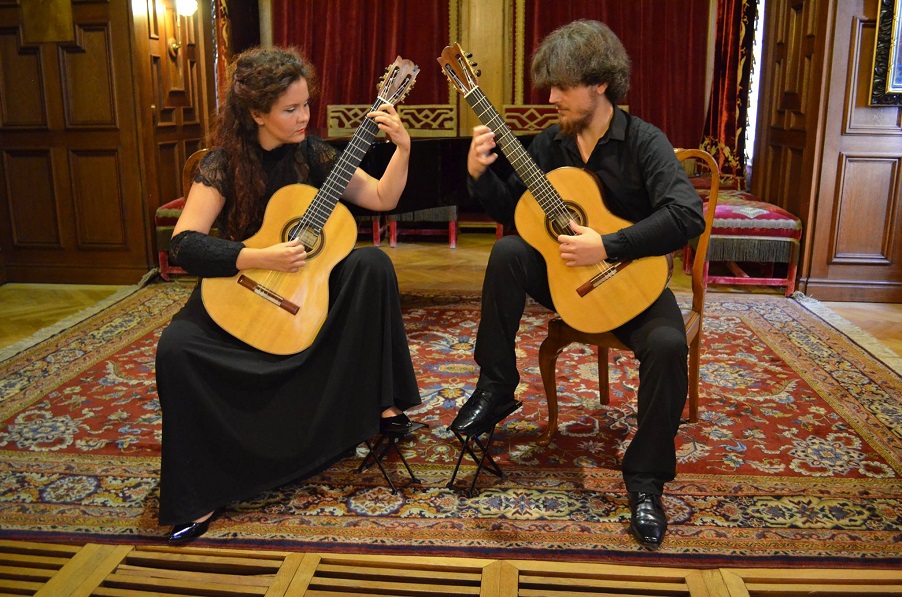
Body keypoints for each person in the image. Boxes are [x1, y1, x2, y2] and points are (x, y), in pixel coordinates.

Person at [448, 20, 706, 548]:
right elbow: (517, 214)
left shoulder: (644, 142)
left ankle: (645, 482)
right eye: (550, 86)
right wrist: (479, 175)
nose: (551, 98)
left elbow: (686, 216)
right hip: (567, 280)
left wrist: (607, 245)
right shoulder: (550, 143)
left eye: (563, 87)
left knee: (667, 345)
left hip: (631, 281)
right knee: (508, 252)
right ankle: (497, 386)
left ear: (600, 83)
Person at [155, 46, 421, 544]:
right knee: (176, 348)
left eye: (306, 105)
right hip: (242, 284)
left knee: (371, 264)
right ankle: (200, 490)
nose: (304, 117)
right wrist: (259, 256)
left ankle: (374, 409)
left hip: (302, 292)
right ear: (257, 113)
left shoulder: (313, 154)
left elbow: (382, 197)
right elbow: (184, 243)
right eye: (290, 109)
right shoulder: (221, 164)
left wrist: (402, 149)